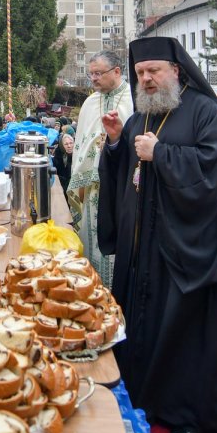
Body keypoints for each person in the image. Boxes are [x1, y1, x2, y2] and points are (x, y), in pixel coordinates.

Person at [98, 37, 217, 433]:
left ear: (177, 71)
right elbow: (125, 175)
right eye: (140, 73)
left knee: (192, 337)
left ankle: (199, 416)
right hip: (145, 250)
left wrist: (162, 154)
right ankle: (153, 398)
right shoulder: (140, 118)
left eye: (154, 71)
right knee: (150, 328)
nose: (146, 79)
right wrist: (114, 144)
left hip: (193, 249)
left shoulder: (205, 112)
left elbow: (215, 173)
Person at [70, 51, 134, 287]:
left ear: (116, 71)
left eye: (98, 73)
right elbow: (80, 145)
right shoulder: (89, 102)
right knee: (91, 243)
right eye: (91, 75)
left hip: (121, 186)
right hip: (93, 189)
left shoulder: (133, 99)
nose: (94, 79)